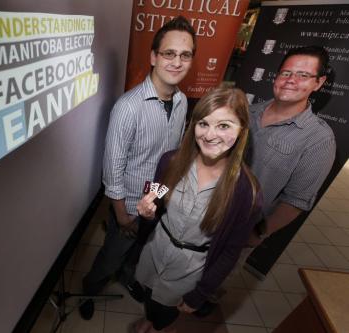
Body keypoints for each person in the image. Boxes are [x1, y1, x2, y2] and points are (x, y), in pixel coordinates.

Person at [80, 16, 197, 320]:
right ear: (154, 57)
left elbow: (172, 154)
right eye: (169, 53)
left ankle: (126, 276)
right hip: (129, 206)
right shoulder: (128, 107)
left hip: (159, 199)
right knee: (111, 255)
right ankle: (90, 287)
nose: (177, 62)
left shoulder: (183, 101)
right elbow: (112, 168)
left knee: (138, 251)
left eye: (185, 55)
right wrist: (122, 216)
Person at [134, 86, 262, 333]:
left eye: (224, 126)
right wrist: (148, 210)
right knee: (149, 297)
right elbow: (158, 194)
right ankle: (150, 320)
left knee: (166, 313)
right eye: (203, 124)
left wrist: (200, 294)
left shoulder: (247, 193)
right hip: (155, 251)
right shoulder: (170, 161)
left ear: (242, 130)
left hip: (189, 270)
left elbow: (230, 252)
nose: (210, 135)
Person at [247, 46, 336, 245]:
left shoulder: (319, 139)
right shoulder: (247, 111)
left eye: (303, 75)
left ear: (318, 83)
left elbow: (297, 200)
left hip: (241, 233)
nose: (291, 80)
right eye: (286, 73)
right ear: (276, 76)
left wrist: (258, 234)